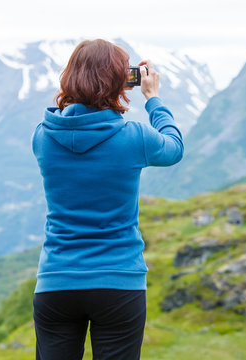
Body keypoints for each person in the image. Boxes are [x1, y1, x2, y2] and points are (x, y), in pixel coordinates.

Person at [31, 39, 183, 360]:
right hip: (119, 281)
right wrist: (153, 99)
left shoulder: (42, 137)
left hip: (56, 280)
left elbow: (72, 122)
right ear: (118, 81)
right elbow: (174, 148)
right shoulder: (134, 137)